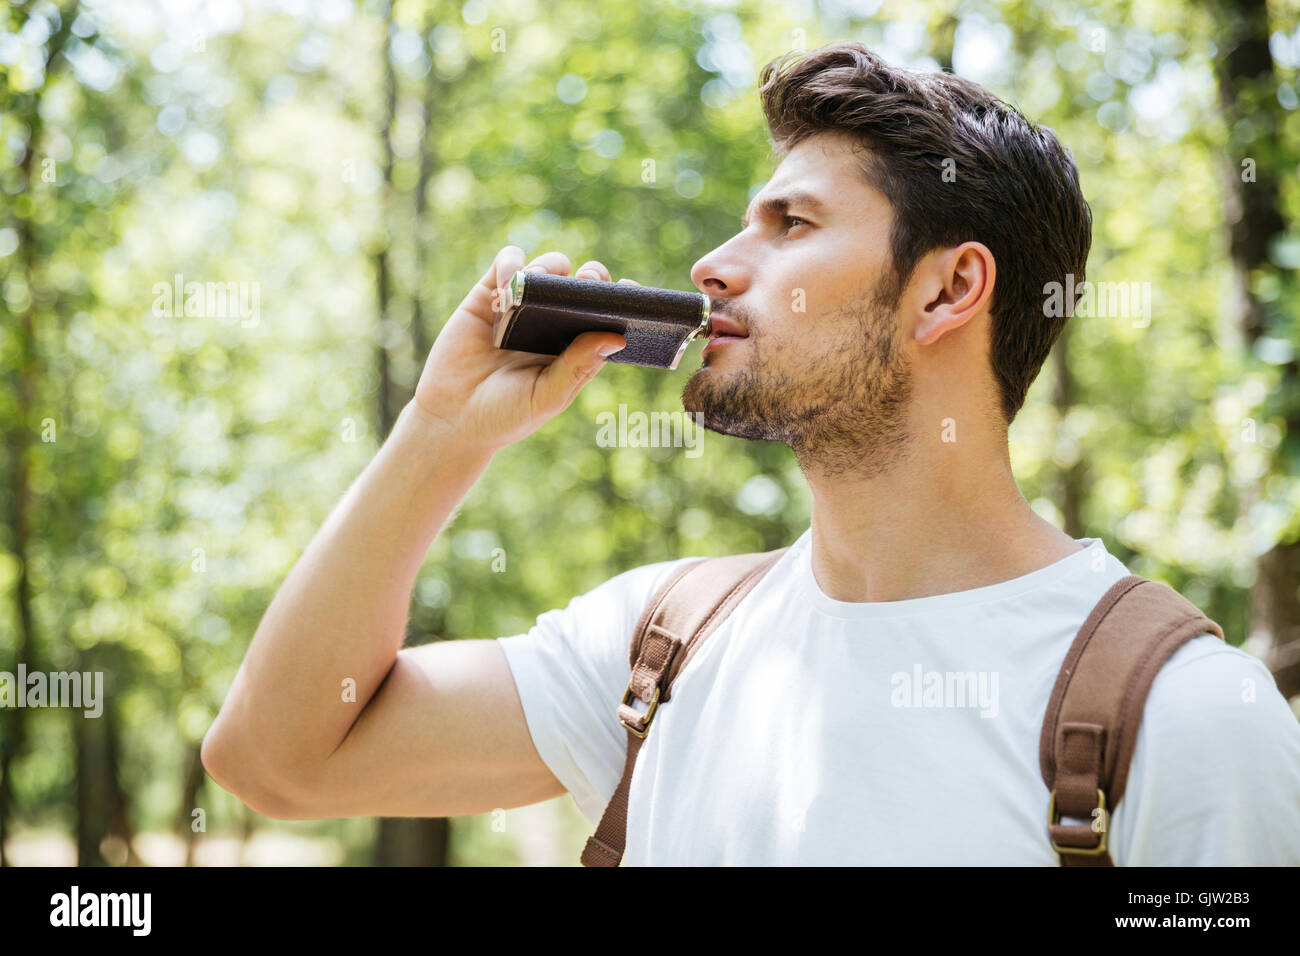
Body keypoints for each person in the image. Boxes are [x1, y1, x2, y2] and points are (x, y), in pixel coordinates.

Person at [202, 40, 1300, 864]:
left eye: (791, 224)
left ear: (947, 288)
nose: (713, 265)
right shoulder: (655, 650)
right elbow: (276, 758)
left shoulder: (1180, 716)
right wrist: (439, 432)